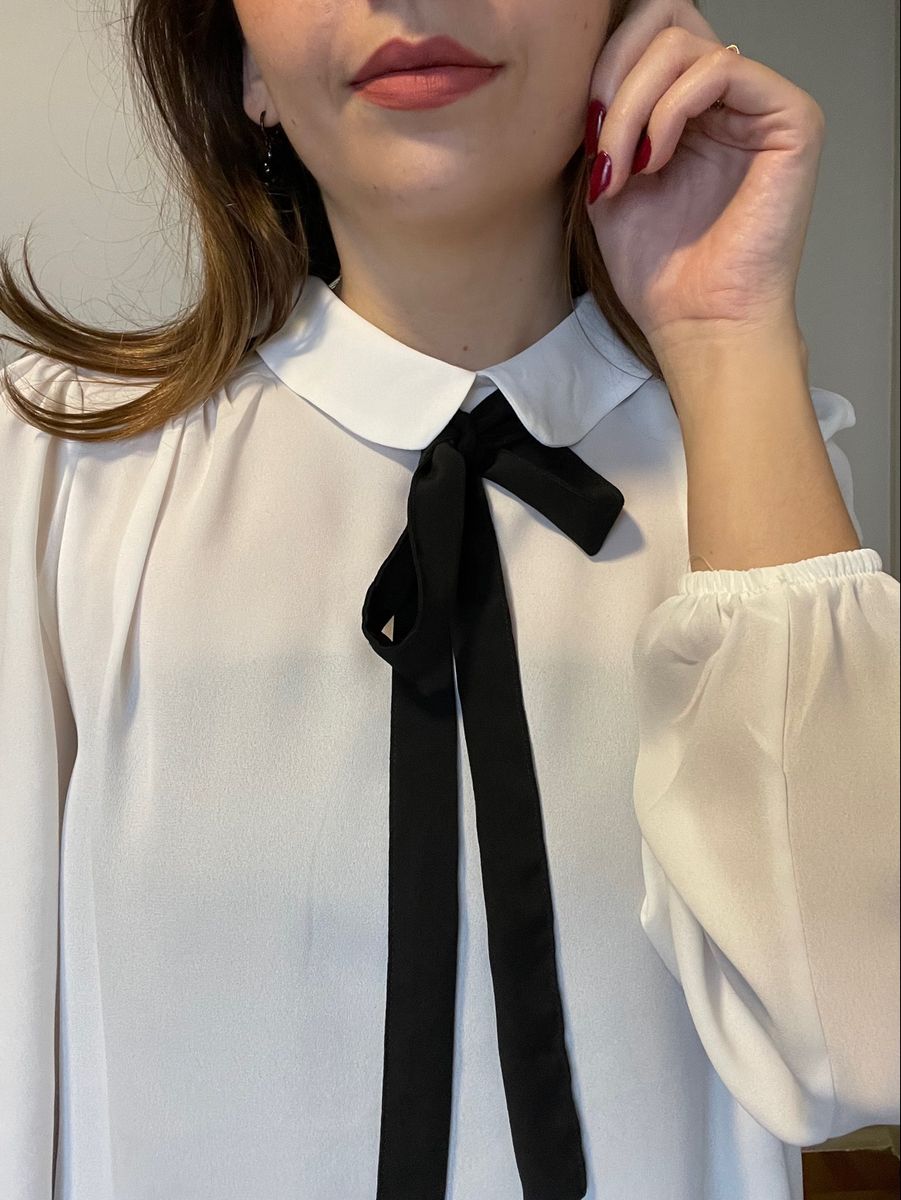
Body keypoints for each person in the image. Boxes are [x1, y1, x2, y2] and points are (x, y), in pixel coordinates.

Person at [1, 0, 898, 1197]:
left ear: (624, 30)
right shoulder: (57, 479)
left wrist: (729, 338)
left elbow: (860, 1045)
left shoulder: (752, 482)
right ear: (244, 66)